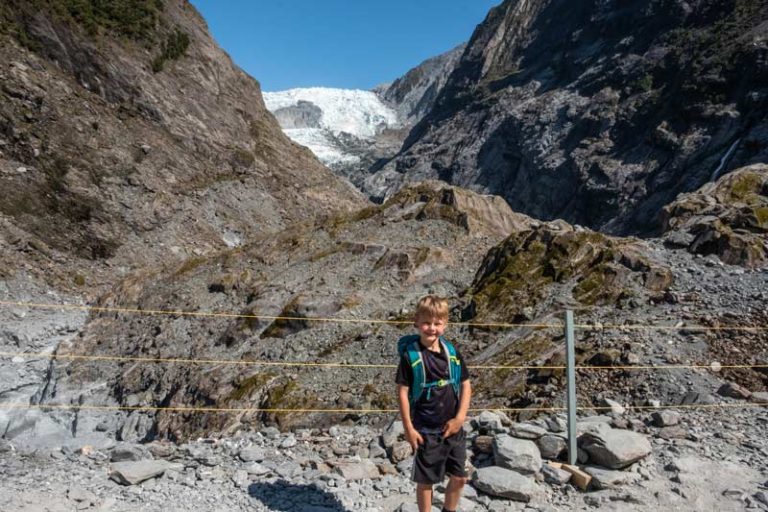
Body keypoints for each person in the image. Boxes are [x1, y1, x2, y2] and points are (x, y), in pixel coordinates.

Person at [395, 295, 472, 512]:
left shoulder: (452, 353)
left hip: (453, 428)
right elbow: (402, 392)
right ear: (416, 323)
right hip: (426, 429)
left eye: (437, 323)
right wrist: (409, 428)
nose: (432, 328)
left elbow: (466, 385)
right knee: (426, 481)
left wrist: (460, 418)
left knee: (459, 477)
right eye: (427, 323)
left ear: (445, 324)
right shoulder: (410, 357)